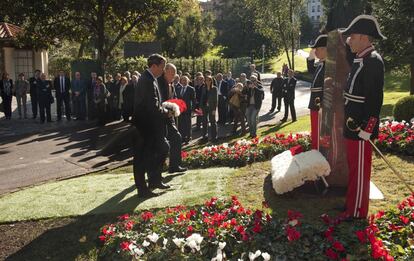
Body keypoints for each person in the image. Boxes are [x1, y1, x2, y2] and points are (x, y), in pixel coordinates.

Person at [339, 15, 385, 219]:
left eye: (352, 37)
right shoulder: (361, 58)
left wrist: (369, 128)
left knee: (359, 172)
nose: (349, 41)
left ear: (364, 38)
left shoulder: (373, 61)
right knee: (353, 170)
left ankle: (357, 212)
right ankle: (351, 204)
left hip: (361, 129)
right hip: (352, 125)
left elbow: (375, 100)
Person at [132, 54, 170, 198]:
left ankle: (154, 181)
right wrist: (166, 112)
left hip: (148, 125)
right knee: (141, 159)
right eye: (162, 67)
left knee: (157, 151)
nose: (163, 70)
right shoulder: (146, 80)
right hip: (143, 126)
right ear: (154, 66)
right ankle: (142, 189)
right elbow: (152, 106)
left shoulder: (149, 79)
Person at [158, 63, 187, 173]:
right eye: (172, 73)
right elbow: (159, 101)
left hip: (170, 117)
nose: (174, 76)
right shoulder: (159, 83)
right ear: (165, 71)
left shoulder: (171, 84)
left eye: (175, 73)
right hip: (161, 117)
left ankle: (174, 166)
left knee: (177, 138)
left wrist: (176, 107)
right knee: (163, 144)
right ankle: (157, 171)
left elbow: (173, 98)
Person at [307, 34, 328, 150]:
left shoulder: (329, 66)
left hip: (321, 109)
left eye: (318, 49)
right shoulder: (321, 64)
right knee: (316, 136)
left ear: (326, 49)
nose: (315, 52)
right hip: (315, 106)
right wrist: (310, 58)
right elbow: (311, 71)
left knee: (321, 139)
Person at [176, 76, 196, 143]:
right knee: (181, 123)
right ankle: (182, 137)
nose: (184, 81)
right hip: (180, 109)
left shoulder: (191, 89)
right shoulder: (178, 88)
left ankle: (188, 137)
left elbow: (193, 100)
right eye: (182, 80)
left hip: (188, 109)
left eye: (185, 80)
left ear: (188, 81)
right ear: (180, 81)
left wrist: (193, 110)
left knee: (188, 124)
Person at [200, 76, 218, 141]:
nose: (207, 81)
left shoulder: (214, 89)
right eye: (206, 80)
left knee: (213, 122)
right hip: (204, 107)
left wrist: (214, 109)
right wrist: (200, 107)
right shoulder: (204, 88)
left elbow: (216, 100)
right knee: (204, 122)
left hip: (211, 107)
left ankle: (214, 136)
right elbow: (202, 98)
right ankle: (205, 136)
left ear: (211, 81)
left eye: (209, 80)